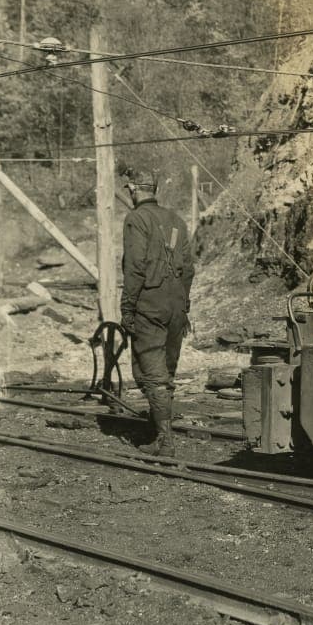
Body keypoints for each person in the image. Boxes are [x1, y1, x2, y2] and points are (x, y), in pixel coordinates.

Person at [120, 169, 194, 456]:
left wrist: (127, 307)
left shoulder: (136, 219)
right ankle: (161, 432)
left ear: (134, 189)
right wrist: (183, 304)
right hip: (175, 305)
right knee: (167, 369)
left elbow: (135, 267)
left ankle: (165, 442)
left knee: (150, 371)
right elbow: (188, 268)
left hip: (149, 304)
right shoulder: (176, 220)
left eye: (129, 189)